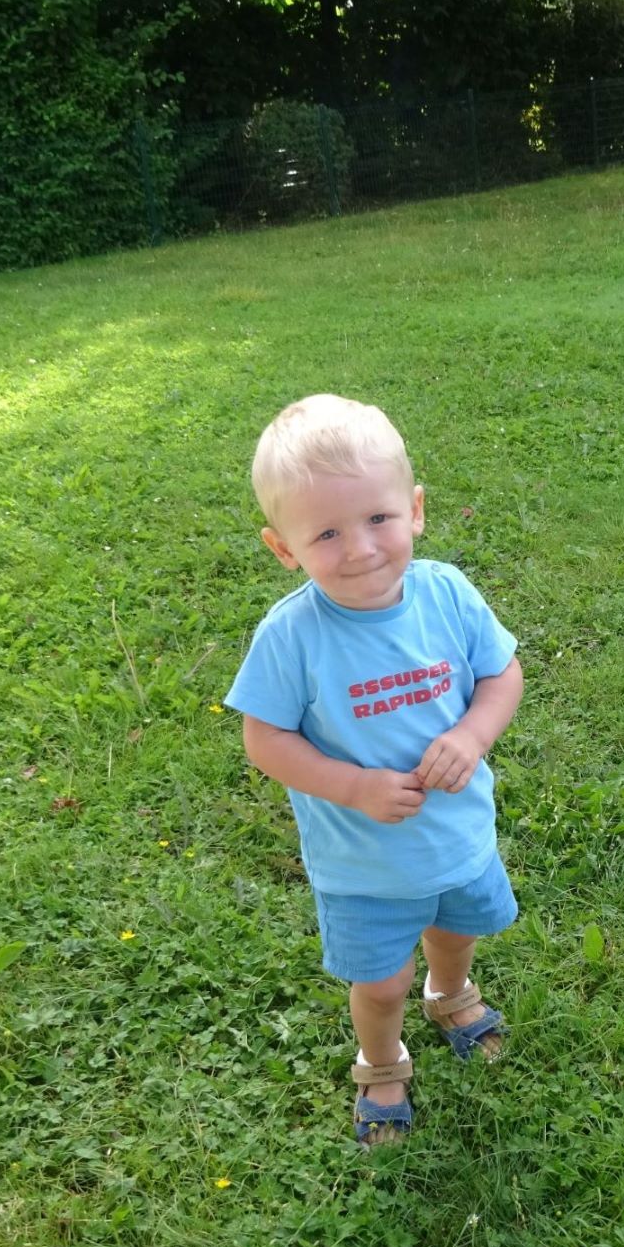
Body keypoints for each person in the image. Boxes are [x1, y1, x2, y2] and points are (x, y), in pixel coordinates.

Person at [224, 394, 524, 1147]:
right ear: (282, 547)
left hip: (456, 837)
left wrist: (473, 733)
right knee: (378, 981)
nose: (358, 548)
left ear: (415, 510)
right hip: (361, 863)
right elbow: (265, 740)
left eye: (378, 520)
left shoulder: (447, 594)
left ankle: (449, 991)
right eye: (326, 532)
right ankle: (381, 1059)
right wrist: (352, 787)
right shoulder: (292, 635)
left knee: (455, 933)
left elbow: (503, 674)